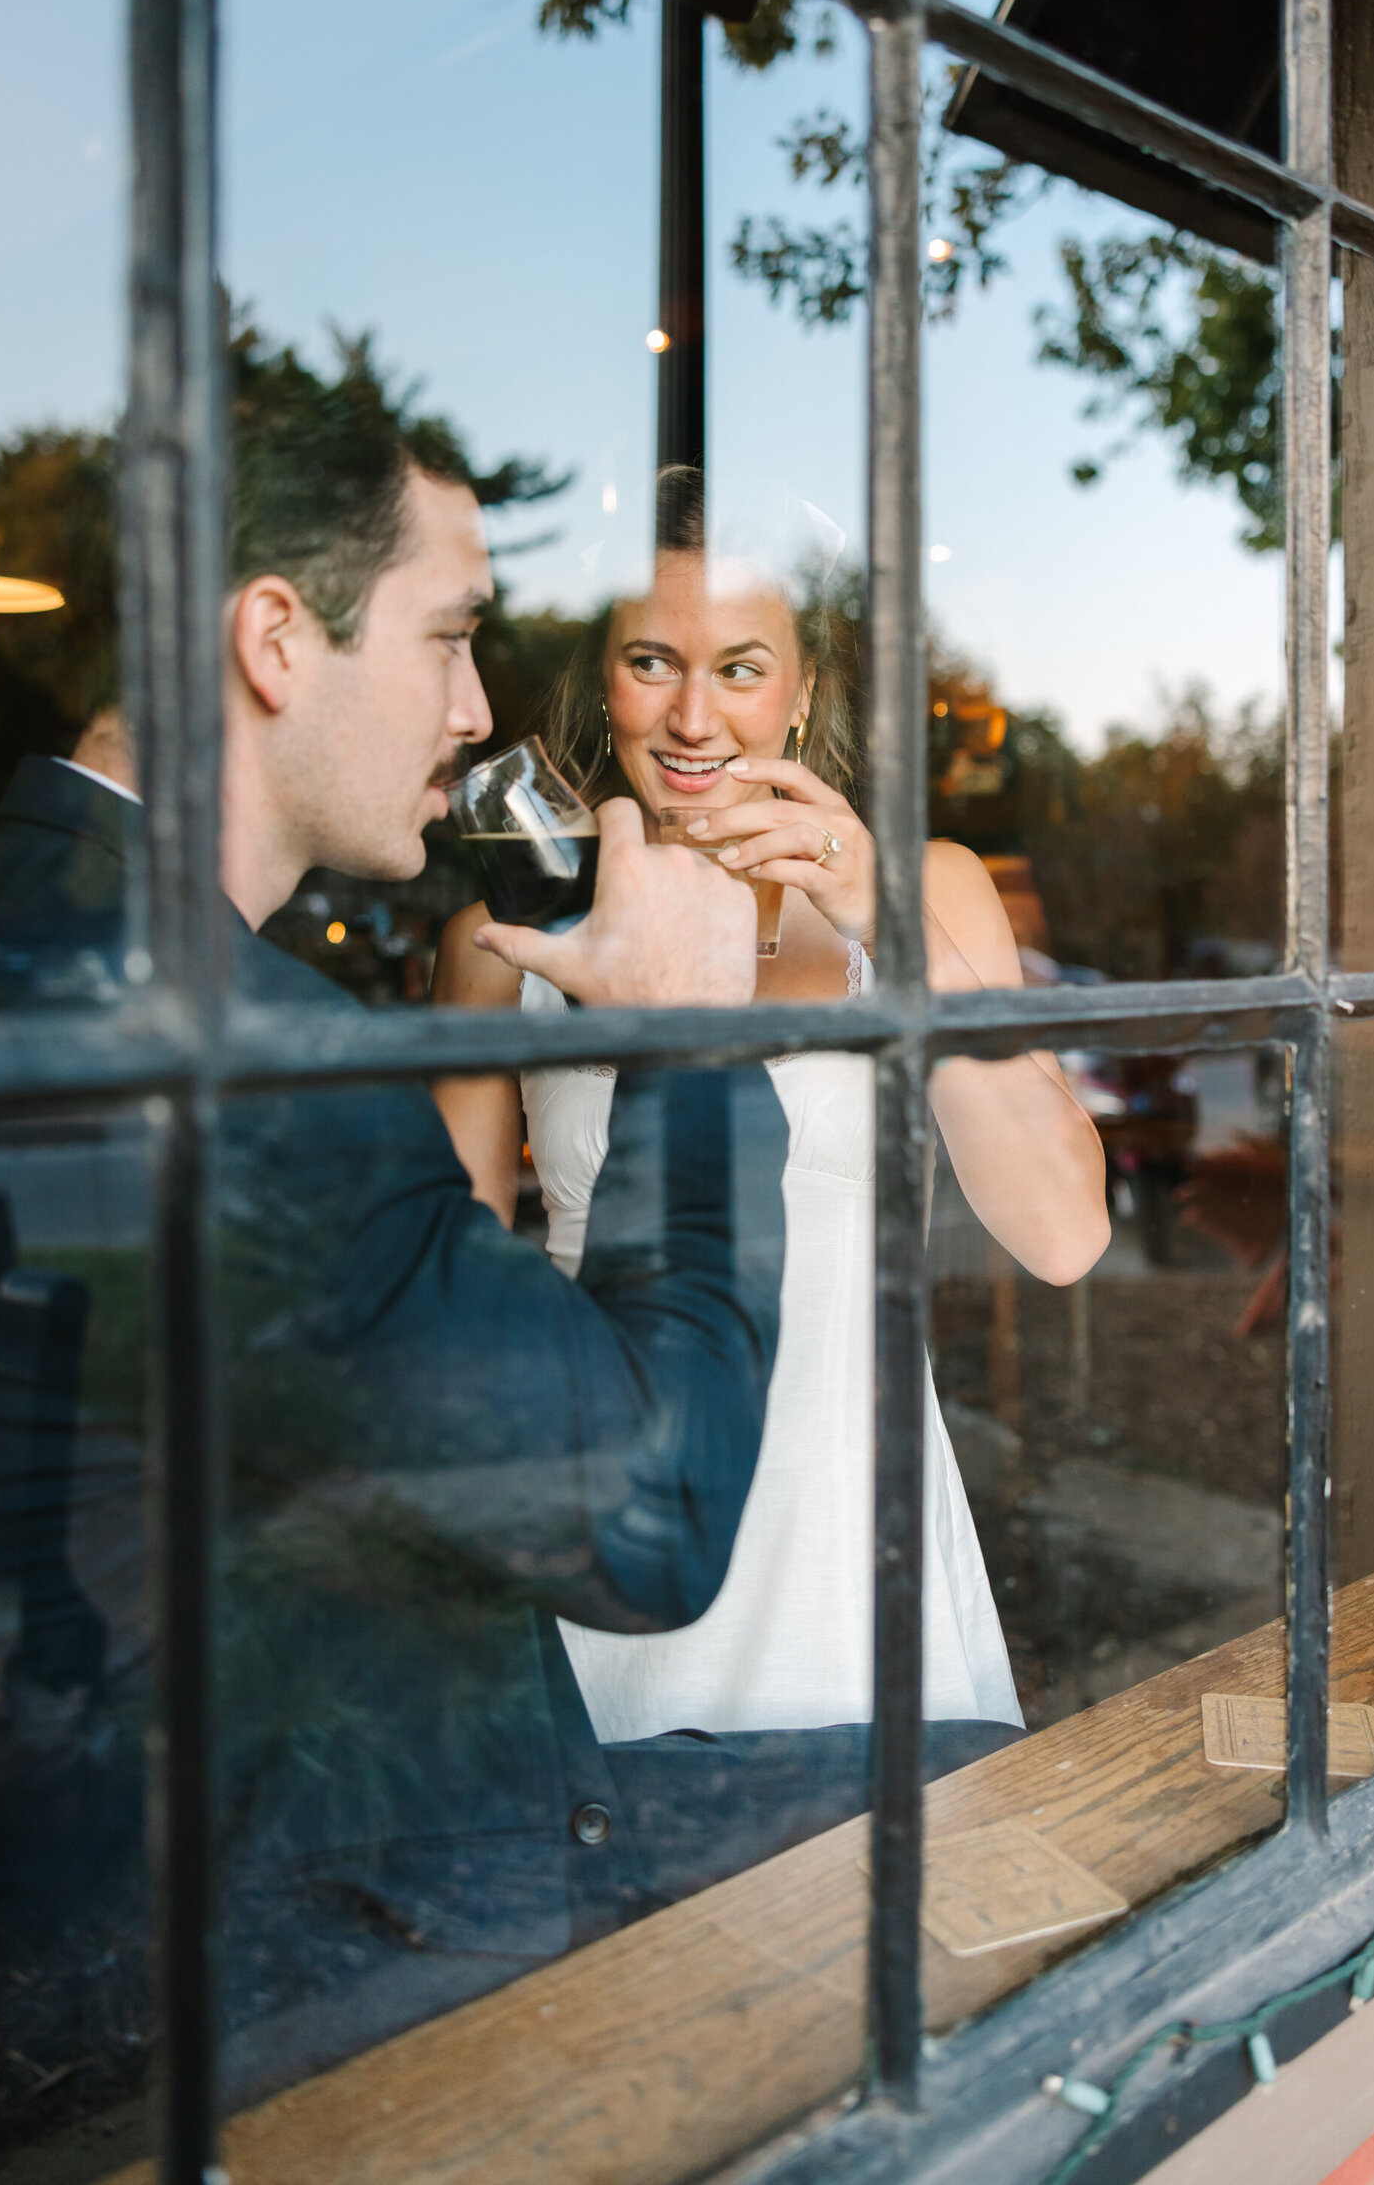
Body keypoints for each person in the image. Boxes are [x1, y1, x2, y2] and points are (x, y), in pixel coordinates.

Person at [0, 406, 806, 2088]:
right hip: (288, 1940)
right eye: (452, 636)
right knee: (988, 1803)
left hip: (109, 1859)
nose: (476, 708)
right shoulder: (246, 1068)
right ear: (270, 637)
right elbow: (653, 1508)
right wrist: (688, 1034)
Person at [434, 478, 1110, 1745]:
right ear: (606, 678)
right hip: (608, 1525)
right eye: (652, 662)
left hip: (853, 1546)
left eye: (740, 667)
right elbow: (449, 1315)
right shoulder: (501, 935)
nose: (694, 717)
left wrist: (881, 925)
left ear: (800, 688)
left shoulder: (935, 889)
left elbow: (1065, 1235)